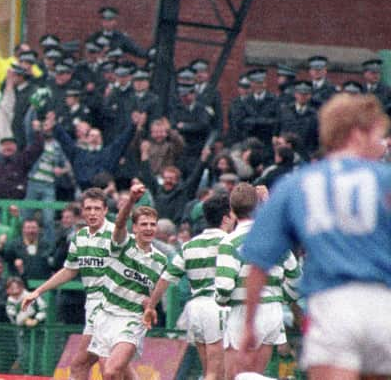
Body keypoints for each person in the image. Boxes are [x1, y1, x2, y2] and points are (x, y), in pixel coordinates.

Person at [239, 94, 391, 380]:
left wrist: (249, 323)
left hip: (331, 304)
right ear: (357, 134)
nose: (383, 143)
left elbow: (258, 260)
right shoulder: (384, 179)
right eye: (378, 135)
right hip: (383, 304)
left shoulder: (296, 184)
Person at [22, 188, 137, 380]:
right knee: (83, 366)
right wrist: (38, 291)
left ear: (105, 210)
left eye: (97, 209)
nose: (92, 213)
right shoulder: (80, 237)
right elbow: (69, 270)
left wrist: (131, 200)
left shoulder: (115, 234)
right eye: (88, 208)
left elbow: (123, 228)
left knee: (106, 367)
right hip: (93, 305)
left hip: (112, 307)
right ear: (82, 211)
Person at [215, 183, 300, 379]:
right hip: (273, 313)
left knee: (234, 376)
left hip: (243, 311)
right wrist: (280, 297)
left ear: (232, 210)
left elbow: (224, 287)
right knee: (255, 375)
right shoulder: (275, 239)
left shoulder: (230, 242)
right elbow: (296, 279)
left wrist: (221, 300)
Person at [144, 194, 232, 380]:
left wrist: (151, 305)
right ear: (226, 218)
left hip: (196, 308)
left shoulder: (189, 246)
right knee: (217, 373)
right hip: (218, 306)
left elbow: (166, 279)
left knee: (209, 370)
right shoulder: (230, 243)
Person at [87, 183, 167, 380]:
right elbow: (120, 223)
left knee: (112, 371)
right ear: (135, 227)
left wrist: (151, 306)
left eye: (152, 224)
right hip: (106, 314)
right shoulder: (123, 244)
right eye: (144, 224)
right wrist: (131, 200)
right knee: (117, 374)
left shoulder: (161, 260)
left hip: (132, 319)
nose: (149, 228)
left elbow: (149, 294)